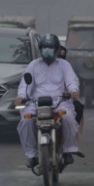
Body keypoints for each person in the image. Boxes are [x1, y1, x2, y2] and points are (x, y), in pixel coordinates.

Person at [15, 34, 80, 168]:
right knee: (25, 121)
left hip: (59, 101)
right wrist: (21, 96)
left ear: (56, 49)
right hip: (36, 102)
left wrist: (73, 91)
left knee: (68, 117)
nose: (47, 50)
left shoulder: (64, 65)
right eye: (45, 47)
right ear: (40, 49)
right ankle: (31, 155)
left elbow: (71, 80)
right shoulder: (33, 65)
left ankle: (68, 150)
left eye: (50, 47)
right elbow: (26, 84)